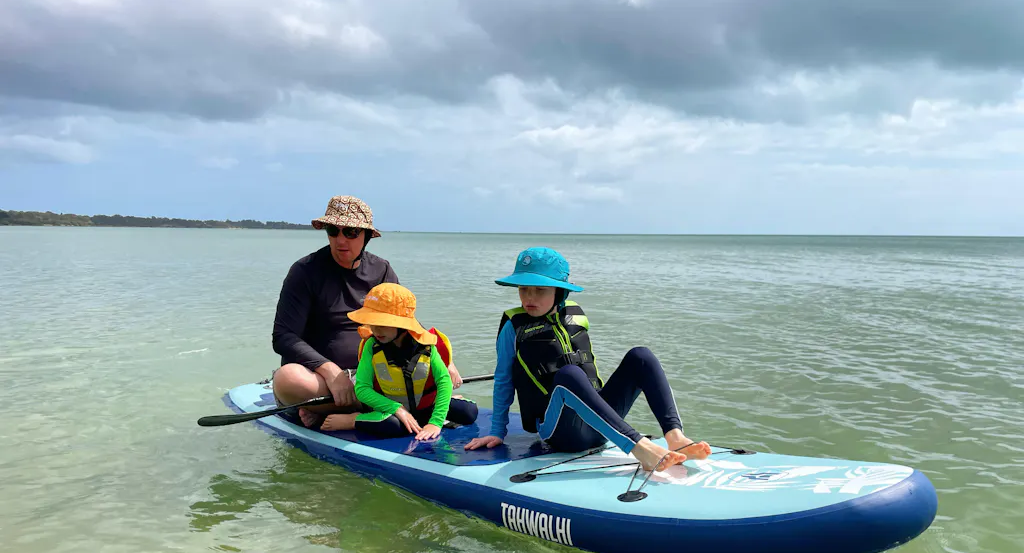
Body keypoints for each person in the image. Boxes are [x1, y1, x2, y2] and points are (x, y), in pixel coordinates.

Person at [464, 247, 711, 472]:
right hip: (561, 432)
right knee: (569, 375)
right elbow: (504, 380)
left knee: (641, 356)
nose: (529, 297)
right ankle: (639, 448)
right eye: (523, 289)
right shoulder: (513, 327)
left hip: (601, 427)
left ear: (559, 292)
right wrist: (498, 431)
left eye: (540, 290)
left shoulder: (576, 316)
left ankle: (675, 437)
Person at [270, 195, 462, 428]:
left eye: (351, 232)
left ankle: (337, 411)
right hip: (323, 381)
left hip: (378, 377)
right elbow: (283, 337)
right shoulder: (305, 271)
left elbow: (404, 320)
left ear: (367, 236)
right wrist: (331, 372)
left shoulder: (381, 269)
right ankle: (393, 407)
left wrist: (441, 357)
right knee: (288, 379)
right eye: (333, 230)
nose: (341, 240)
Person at [314, 283, 478, 439]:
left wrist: (435, 423)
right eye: (373, 323)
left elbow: (444, 382)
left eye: (383, 324)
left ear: (403, 325)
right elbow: (362, 389)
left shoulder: (426, 345)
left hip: (424, 407)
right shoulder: (371, 346)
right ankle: (353, 419)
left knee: (469, 412)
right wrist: (397, 409)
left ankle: (447, 403)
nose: (376, 330)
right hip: (388, 410)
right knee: (394, 426)